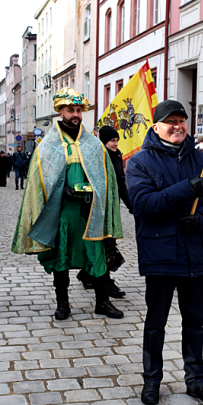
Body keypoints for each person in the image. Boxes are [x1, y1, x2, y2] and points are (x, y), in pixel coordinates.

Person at [126, 99, 203, 405]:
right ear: (156, 127)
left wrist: (202, 218)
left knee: (195, 323)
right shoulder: (139, 162)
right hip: (160, 254)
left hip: (196, 253)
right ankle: (152, 380)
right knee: (156, 323)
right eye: (170, 121)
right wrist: (187, 189)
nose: (177, 125)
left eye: (181, 120)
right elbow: (143, 205)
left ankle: (196, 380)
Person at [12, 88, 124, 321]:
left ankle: (103, 302)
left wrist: (95, 190)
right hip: (61, 212)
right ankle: (62, 303)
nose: (75, 114)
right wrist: (60, 190)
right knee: (60, 255)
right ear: (60, 112)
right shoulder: (48, 145)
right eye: (70, 110)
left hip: (89, 212)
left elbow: (106, 178)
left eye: (78, 110)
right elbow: (38, 180)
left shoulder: (94, 144)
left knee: (97, 254)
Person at [77, 126, 132, 299]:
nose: (115, 144)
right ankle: (106, 282)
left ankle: (87, 274)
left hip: (112, 209)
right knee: (104, 245)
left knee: (109, 243)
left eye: (117, 141)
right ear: (103, 141)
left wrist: (132, 206)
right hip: (97, 208)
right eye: (112, 141)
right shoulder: (96, 157)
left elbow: (121, 184)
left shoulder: (117, 156)